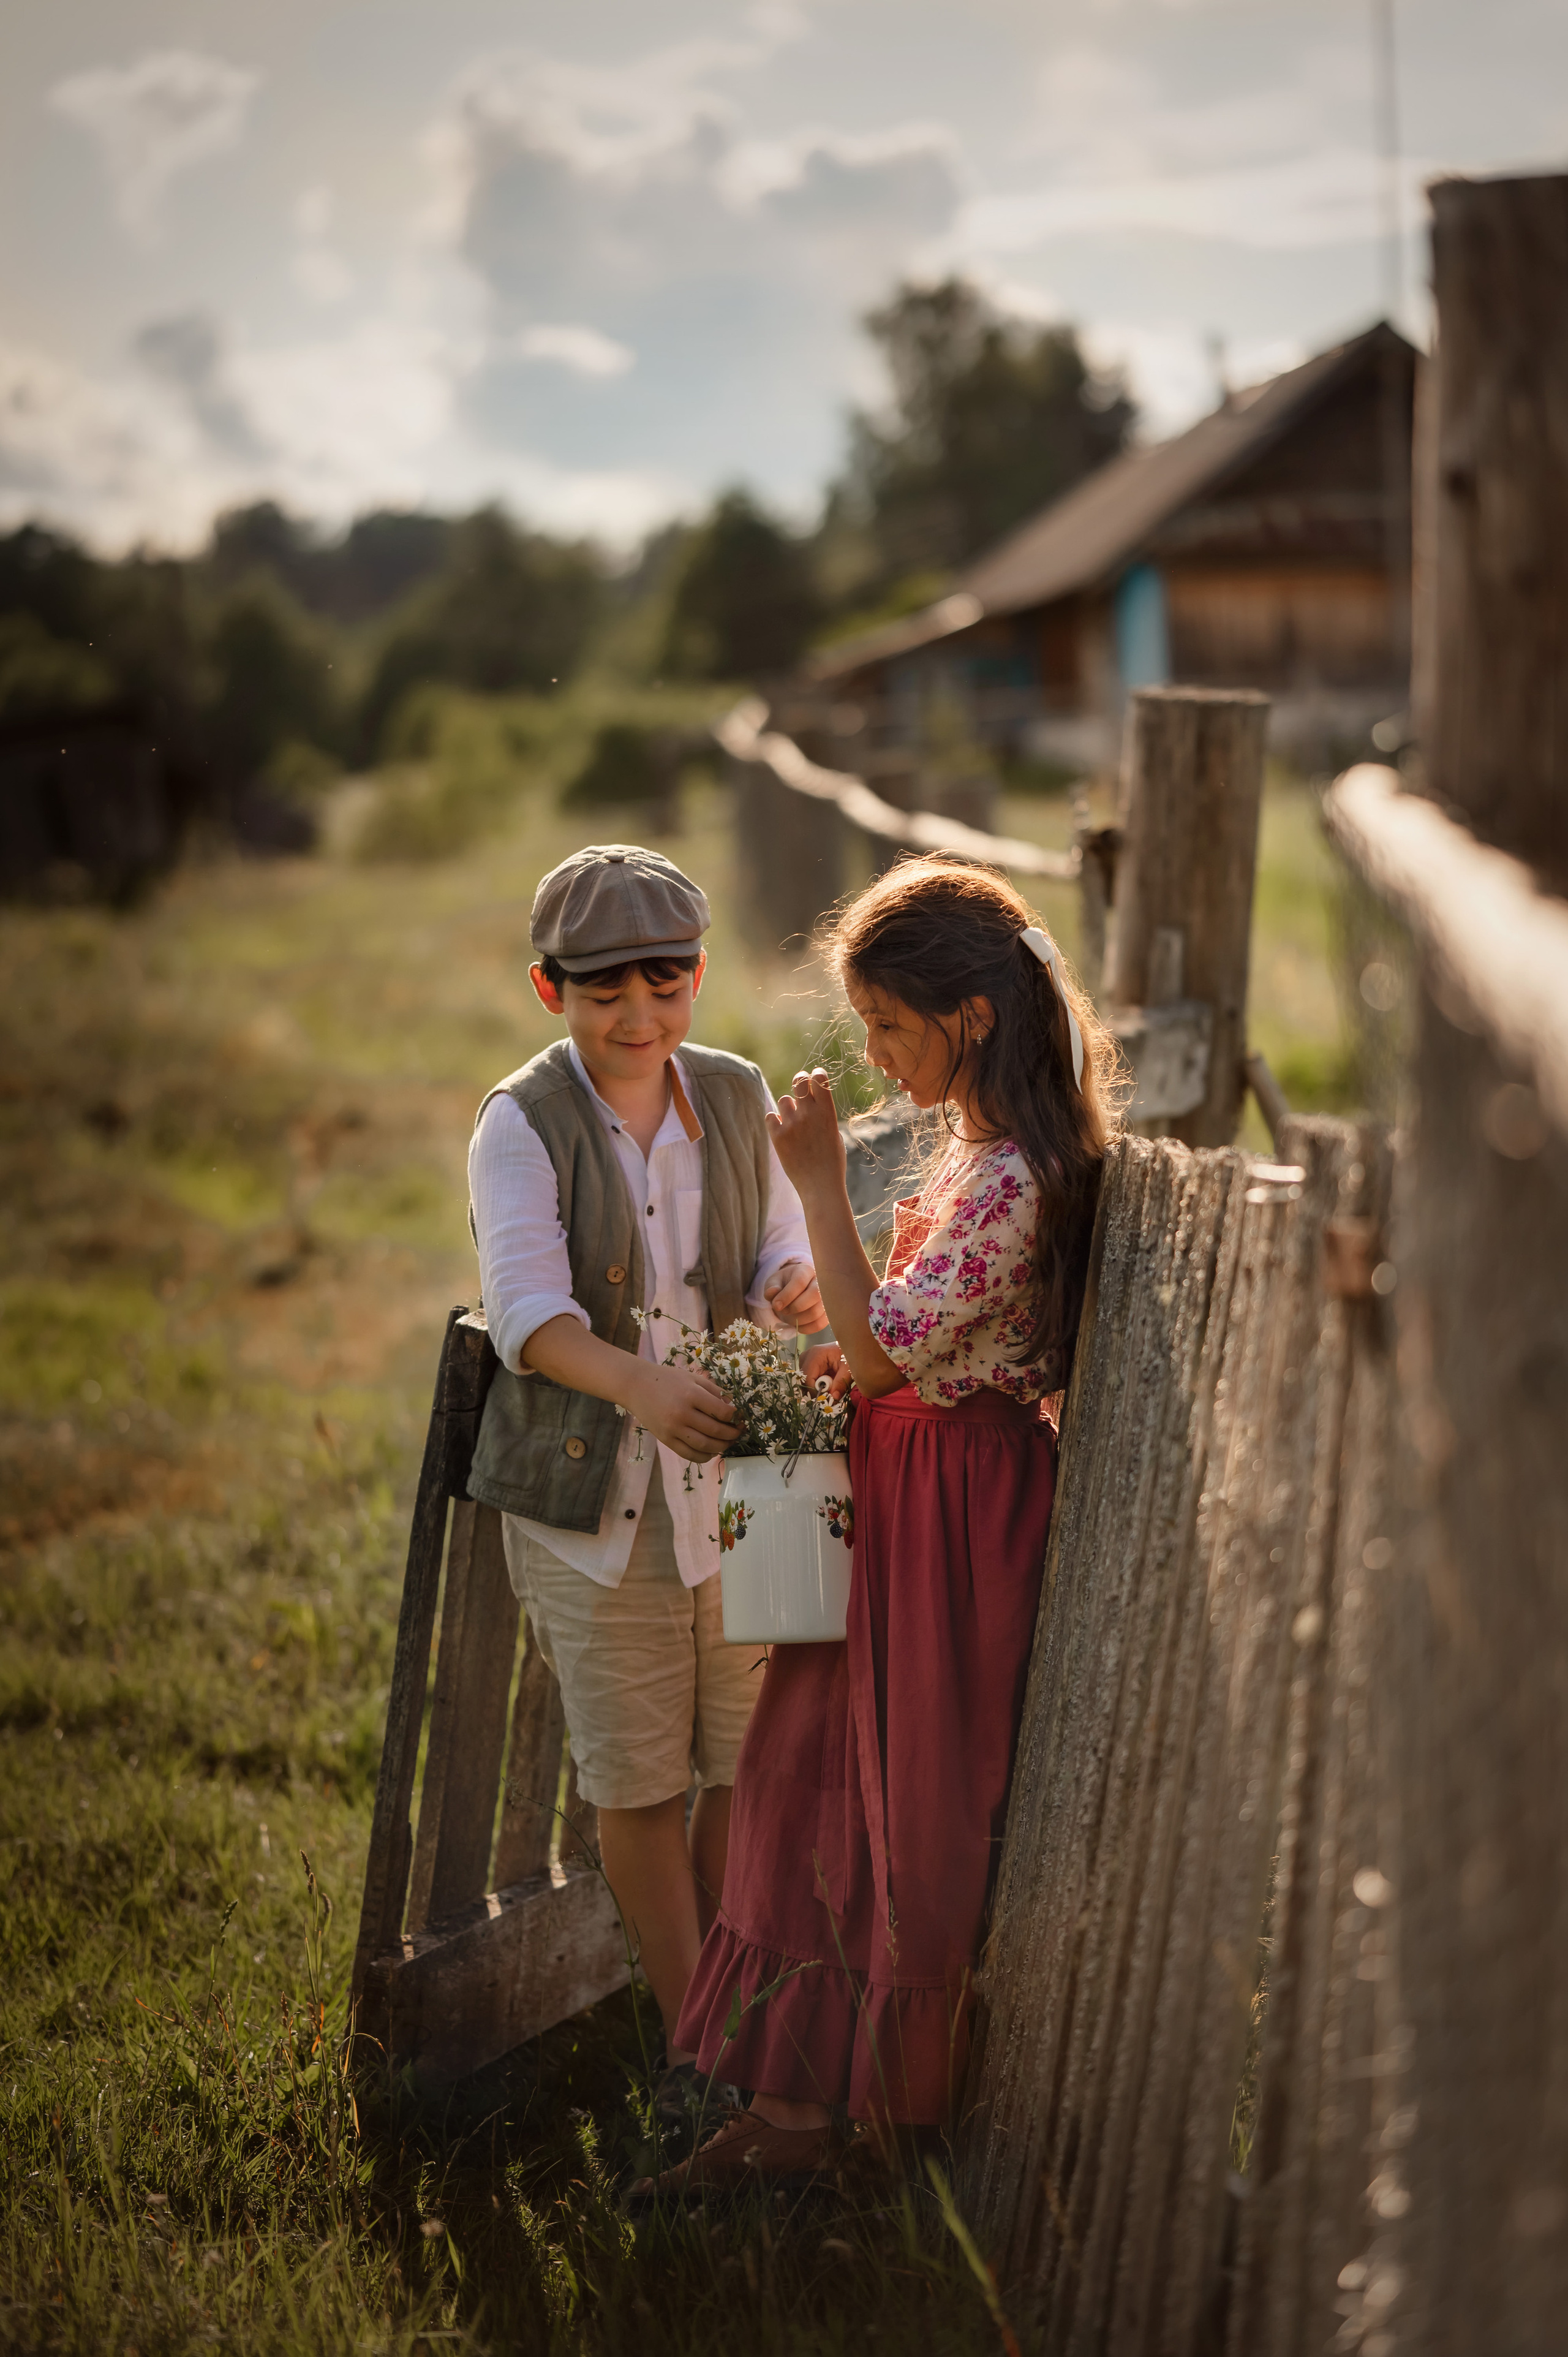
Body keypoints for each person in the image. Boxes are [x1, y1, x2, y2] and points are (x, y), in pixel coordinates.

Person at [660, 855, 1121, 2190]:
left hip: (947, 1523)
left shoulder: (1018, 1173)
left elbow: (885, 1359)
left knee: (897, 1798)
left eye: (889, 1029)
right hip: (898, 1491)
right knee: (801, 1773)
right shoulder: (980, 1150)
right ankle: (792, 2104)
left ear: (971, 1018)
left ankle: (870, 2113)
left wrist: (812, 1183)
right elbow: (878, 1349)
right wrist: (828, 1350)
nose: (871, 1057)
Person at [466, 842, 830, 2141]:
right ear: (547, 987)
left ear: (697, 974)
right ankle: (705, 2047)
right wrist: (637, 1387)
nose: (637, 1018)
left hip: (740, 1494)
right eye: (602, 992)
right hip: (593, 1505)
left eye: (664, 985)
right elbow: (525, 1312)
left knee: (741, 1764)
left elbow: (779, 1243)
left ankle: (732, 1999)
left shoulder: (731, 1097)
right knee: (637, 1784)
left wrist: (791, 1285)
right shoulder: (521, 1120)